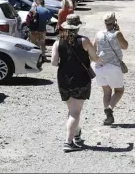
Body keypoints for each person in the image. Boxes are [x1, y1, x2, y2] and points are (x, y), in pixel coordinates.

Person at [51, 14, 103, 152]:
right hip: (80, 78)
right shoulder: (84, 41)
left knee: (71, 109)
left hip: (63, 79)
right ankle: (68, 142)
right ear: (78, 26)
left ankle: (76, 133)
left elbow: (54, 63)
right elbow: (95, 58)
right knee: (75, 112)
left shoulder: (58, 42)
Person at [93, 12, 128, 125]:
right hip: (113, 66)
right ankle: (109, 108)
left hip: (99, 67)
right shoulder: (117, 34)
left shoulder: (98, 34)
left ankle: (108, 117)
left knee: (106, 92)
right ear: (115, 22)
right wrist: (119, 30)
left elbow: (93, 50)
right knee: (119, 90)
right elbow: (125, 46)